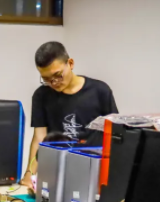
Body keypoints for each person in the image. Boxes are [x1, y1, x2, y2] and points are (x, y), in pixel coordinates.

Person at [21, 41, 118, 189]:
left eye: (57, 75)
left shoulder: (100, 91)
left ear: (70, 63)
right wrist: (29, 174)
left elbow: (114, 135)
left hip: (93, 170)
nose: (54, 82)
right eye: (46, 79)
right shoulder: (42, 95)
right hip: (57, 172)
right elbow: (39, 138)